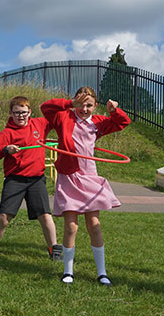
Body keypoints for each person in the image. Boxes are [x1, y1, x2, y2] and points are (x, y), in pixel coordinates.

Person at [41, 87, 130, 285]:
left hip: (89, 177)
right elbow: (45, 108)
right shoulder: (63, 117)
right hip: (69, 177)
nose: (84, 108)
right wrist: (69, 104)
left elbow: (123, 122)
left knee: (95, 226)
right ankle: (68, 271)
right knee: (71, 227)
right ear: (75, 102)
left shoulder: (97, 123)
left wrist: (114, 111)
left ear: (95, 106)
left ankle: (102, 272)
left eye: (89, 105)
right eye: (81, 103)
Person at [0, 96, 62, 260]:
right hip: (15, 179)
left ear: (30, 112)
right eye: (16, 113)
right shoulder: (7, 133)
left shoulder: (40, 124)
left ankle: (54, 249)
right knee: (4, 217)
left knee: (45, 215)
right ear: (10, 113)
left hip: (36, 179)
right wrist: (6, 149)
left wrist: (72, 104)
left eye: (23, 112)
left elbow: (56, 113)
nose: (20, 116)